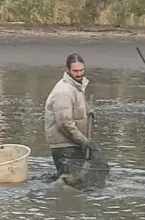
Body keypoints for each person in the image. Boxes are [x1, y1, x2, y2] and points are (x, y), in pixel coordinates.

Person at [43, 53, 109, 189]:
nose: (79, 74)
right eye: (75, 71)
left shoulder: (76, 87)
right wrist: (83, 141)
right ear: (68, 70)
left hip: (74, 142)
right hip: (64, 146)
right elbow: (64, 124)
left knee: (100, 166)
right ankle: (57, 190)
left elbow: (74, 110)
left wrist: (87, 110)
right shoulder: (64, 92)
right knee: (76, 182)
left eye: (81, 70)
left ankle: (65, 184)